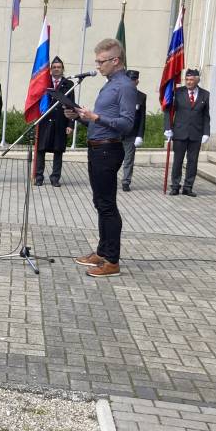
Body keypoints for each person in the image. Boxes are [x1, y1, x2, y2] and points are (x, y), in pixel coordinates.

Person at [64, 38, 136, 278]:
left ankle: (112, 261)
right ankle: (102, 251)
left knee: (107, 206)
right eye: (96, 61)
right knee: (100, 203)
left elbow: (127, 124)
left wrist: (96, 117)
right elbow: (98, 121)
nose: (97, 66)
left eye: (101, 61)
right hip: (97, 148)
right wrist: (78, 116)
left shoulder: (125, 86)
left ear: (115, 60)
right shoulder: (110, 84)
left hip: (108, 149)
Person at [166, 69, 210, 197]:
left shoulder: (205, 94)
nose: (189, 82)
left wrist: (206, 132)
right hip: (180, 132)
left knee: (192, 162)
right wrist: (168, 128)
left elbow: (206, 116)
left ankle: (188, 187)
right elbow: (168, 111)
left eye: (191, 80)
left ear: (197, 80)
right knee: (178, 161)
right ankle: (175, 186)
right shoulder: (177, 92)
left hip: (196, 133)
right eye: (187, 79)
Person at [33, 57, 73, 187]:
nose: (56, 69)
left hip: (61, 121)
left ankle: (55, 177)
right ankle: (39, 176)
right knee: (41, 150)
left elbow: (71, 105)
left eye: (59, 67)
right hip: (44, 121)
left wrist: (70, 124)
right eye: (54, 67)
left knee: (58, 150)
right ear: (50, 69)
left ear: (63, 69)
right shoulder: (44, 82)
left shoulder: (68, 84)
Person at [121, 70, 147, 192]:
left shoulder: (141, 96)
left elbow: (142, 117)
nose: (131, 82)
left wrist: (140, 135)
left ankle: (126, 181)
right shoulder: (118, 92)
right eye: (129, 80)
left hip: (132, 133)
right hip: (117, 131)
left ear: (137, 81)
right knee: (113, 158)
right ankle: (110, 179)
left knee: (129, 159)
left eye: (134, 80)